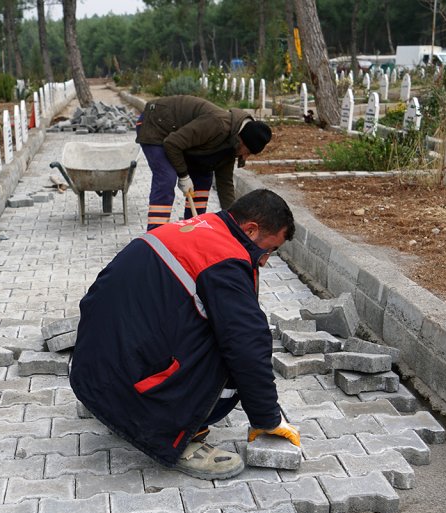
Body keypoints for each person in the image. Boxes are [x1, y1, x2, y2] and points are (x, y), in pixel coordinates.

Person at [70, 189, 300, 480]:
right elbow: (248, 344)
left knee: (208, 321)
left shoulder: (198, 228)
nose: (265, 261)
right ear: (250, 229)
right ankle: (175, 436)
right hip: (129, 382)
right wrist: (267, 417)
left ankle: (118, 406)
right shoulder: (224, 259)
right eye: (269, 250)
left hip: (93, 376)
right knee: (231, 355)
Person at [135, 95, 273, 232]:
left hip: (178, 138)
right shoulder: (217, 124)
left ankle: (192, 232)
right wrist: (183, 176)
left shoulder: (232, 143)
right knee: (166, 178)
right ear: (241, 141)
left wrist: (234, 223)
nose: (245, 157)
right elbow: (172, 144)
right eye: (247, 152)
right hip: (156, 124)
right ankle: (156, 235)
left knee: (203, 176)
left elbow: (225, 184)